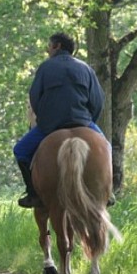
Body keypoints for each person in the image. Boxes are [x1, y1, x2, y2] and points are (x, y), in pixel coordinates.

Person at [13, 32, 107, 208]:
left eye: (49, 46)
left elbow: (35, 97)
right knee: (106, 147)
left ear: (57, 46)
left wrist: (44, 119)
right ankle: (107, 191)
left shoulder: (45, 68)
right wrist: (88, 120)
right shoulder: (86, 68)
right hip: (83, 122)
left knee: (20, 151)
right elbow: (98, 100)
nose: (48, 50)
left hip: (50, 125)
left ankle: (33, 193)